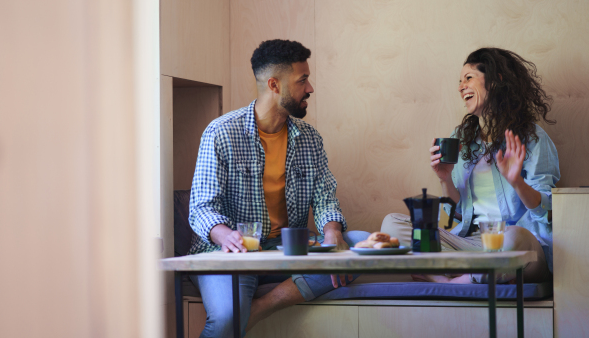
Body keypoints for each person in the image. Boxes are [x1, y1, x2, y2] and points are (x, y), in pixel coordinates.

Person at [188, 39, 369, 337]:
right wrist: (226, 236)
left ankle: (261, 308)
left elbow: (325, 199)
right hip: (234, 253)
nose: (310, 88)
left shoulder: (309, 138)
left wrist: (333, 235)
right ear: (274, 84)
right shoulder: (221, 132)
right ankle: (241, 313)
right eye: (302, 80)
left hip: (287, 249)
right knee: (226, 317)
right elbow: (202, 207)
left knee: (361, 244)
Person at [382, 47, 560, 284]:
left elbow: (549, 213)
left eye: (468, 78)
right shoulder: (462, 138)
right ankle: (474, 274)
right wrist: (444, 178)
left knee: (513, 240)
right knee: (393, 225)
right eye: (459, 81)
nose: (460, 87)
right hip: (474, 243)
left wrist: (517, 182)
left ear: (496, 81)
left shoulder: (532, 138)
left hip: (519, 242)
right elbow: (458, 212)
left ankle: (448, 279)